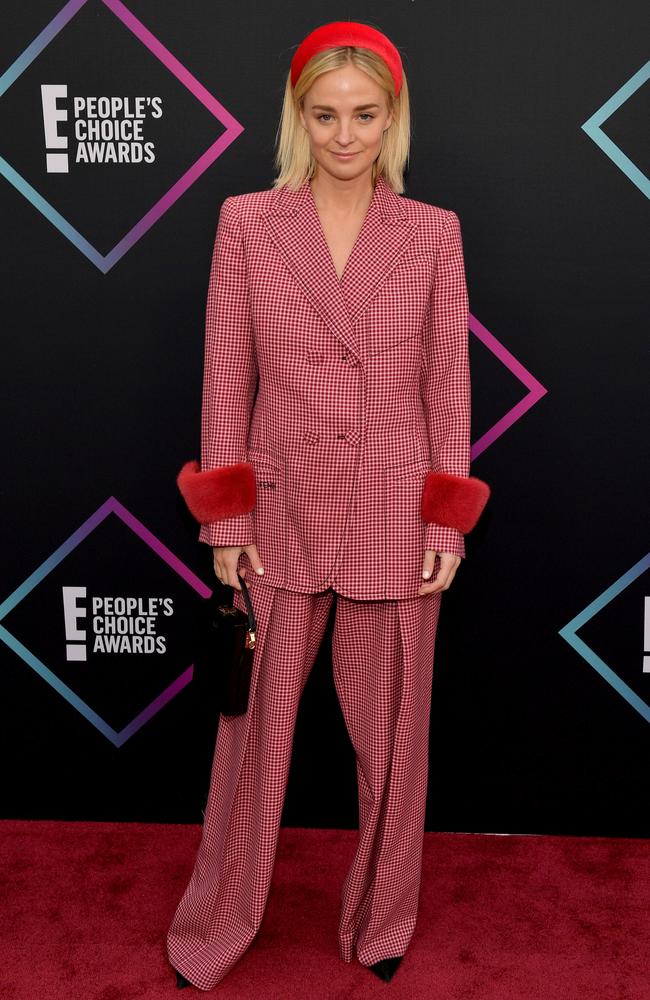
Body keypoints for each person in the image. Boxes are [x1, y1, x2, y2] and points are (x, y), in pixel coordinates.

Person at [167, 20, 490, 991]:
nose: (343, 135)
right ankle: (217, 925)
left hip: (396, 513)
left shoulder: (432, 233)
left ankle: (380, 921)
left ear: (391, 118)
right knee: (249, 746)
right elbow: (226, 374)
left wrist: (445, 520)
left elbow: (447, 385)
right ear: (295, 116)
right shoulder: (245, 223)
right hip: (279, 513)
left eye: (363, 115)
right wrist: (224, 522)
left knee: (393, 744)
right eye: (323, 115)